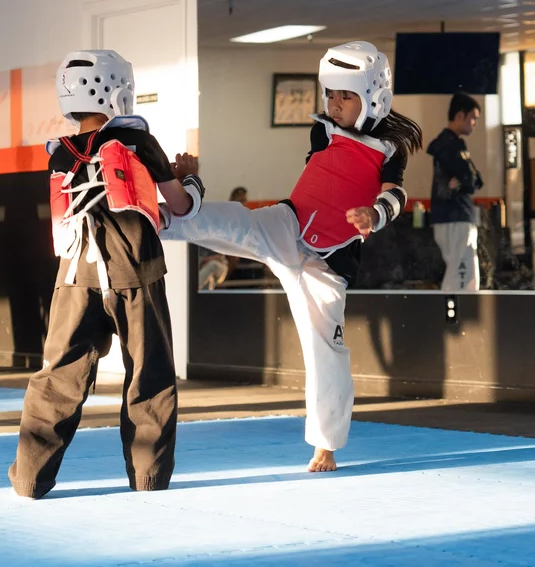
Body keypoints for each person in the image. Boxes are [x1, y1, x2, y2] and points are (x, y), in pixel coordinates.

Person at [163, 41, 422, 472]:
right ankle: (159, 216)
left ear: (374, 96)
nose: (335, 104)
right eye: (331, 95)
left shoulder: (391, 148)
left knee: (327, 351)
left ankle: (326, 445)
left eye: (345, 96)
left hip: (330, 261)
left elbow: (396, 195)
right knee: (236, 224)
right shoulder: (321, 130)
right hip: (289, 224)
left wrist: (374, 216)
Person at [8, 50, 205, 499]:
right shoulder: (140, 143)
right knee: (148, 375)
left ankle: (30, 477)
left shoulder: (58, 153)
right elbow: (179, 207)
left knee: (57, 377)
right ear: (119, 91)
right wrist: (190, 177)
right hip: (135, 271)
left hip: (75, 274)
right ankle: (147, 478)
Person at [427, 93, 483, 292]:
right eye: (472, 118)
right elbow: (471, 180)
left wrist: (467, 181)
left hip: (452, 216)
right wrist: (466, 181)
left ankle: (458, 315)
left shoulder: (448, 144)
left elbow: (474, 181)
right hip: (455, 216)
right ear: (460, 115)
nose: (474, 123)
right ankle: (458, 317)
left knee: (461, 270)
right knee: (462, 272)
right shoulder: (449, 145)